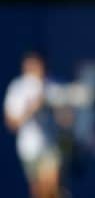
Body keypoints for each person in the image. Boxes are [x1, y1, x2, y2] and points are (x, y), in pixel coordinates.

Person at [4, 51, 64, 198]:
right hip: (28, 148)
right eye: (33, 66)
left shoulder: (52, 86)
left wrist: (58, 111)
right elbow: (11, 123)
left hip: (50, 145)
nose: (38, 69)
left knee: (52, 181)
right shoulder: (17, 89)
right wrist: (31, 109)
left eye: (40, 65)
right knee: (40, 191)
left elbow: (66, 119)